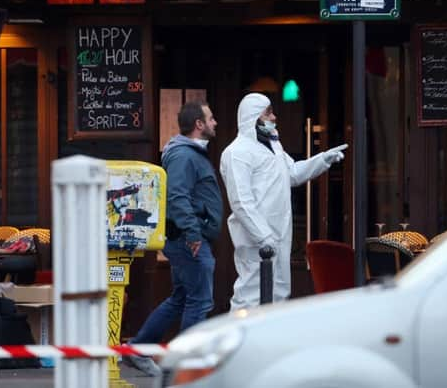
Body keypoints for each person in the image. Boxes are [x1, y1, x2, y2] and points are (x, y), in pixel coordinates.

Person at [220, 92, 347, 311]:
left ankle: (267, 342)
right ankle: (240, 342)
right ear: (253, 117)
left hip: (278, 234)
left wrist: (323, 159)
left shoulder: (273, 147)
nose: (274, 117)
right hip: (256, 240)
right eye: (268, 113)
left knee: (278, 292)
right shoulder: (237, 153)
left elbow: (293, 173)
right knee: (250, 295)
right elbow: (241, 201)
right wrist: (263, 235)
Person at [123, 101, 223, 376]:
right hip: (189, 239)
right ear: (199, 124)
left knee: (181, 297)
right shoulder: (184, 156)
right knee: (200, 300)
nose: (215, 123)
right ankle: (185, 367)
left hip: (188, 236)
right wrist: (193, 234)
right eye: (211, 118)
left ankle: (139, 348)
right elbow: (177, 197)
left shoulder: (189, 153)